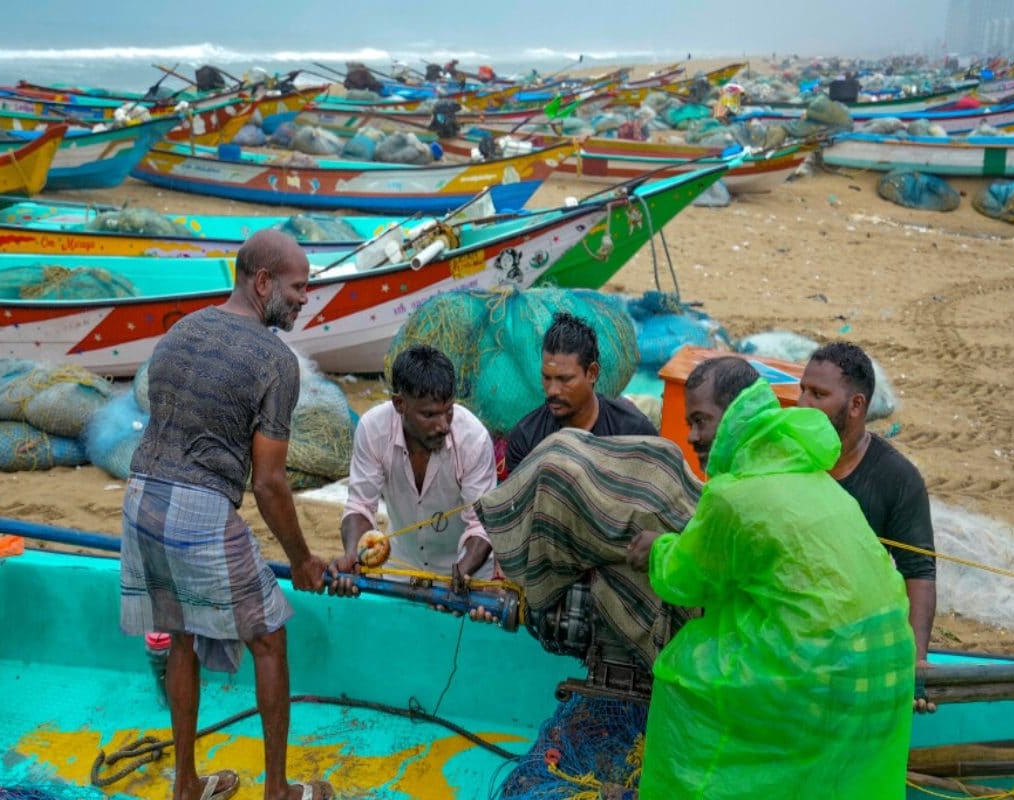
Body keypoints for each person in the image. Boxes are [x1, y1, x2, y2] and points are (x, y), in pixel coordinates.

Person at [627, 357, 914, 799]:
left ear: (736, 414)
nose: (692, 437)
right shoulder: (812, 476)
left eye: (701, 421)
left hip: (821, 665)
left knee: (683, 679)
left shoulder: (731, 495)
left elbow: (685, 579)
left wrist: (657, 548)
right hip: (889, 656)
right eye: (689, 423)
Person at [120, 229, 332, 800]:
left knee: (182, 634)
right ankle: (279, 791)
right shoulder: (275, 361)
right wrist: (304, 560)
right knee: (268, 639)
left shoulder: (180, 331)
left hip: (140, 498)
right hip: (196, 508)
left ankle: (186, 785)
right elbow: (268, 483)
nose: (304, 298)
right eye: (298, 287)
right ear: (262, 282)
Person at [798, 340, 937, 709]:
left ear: (856, 405)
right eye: (803, 391)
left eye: (818, 394)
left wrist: (916, 663)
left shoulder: (897, 477)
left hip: (855, 634)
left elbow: (919, 571)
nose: (802, 404)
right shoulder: (790, 456)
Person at [330, 345, 498, 620]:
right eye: (429, 415)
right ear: (400, 404)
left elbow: (481, 525)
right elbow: (360, 506)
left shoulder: (473, 439)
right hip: (401, 568)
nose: (443, 425)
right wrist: (353, 553)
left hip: (468, 576)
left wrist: (460, 575)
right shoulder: (373, 428)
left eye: (448, 411)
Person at [504, 312, 656, 475]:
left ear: (592, 373)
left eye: (565, 379)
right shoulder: (526, 438)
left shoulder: (633, 433)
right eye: (547, 378)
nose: (553, 390)